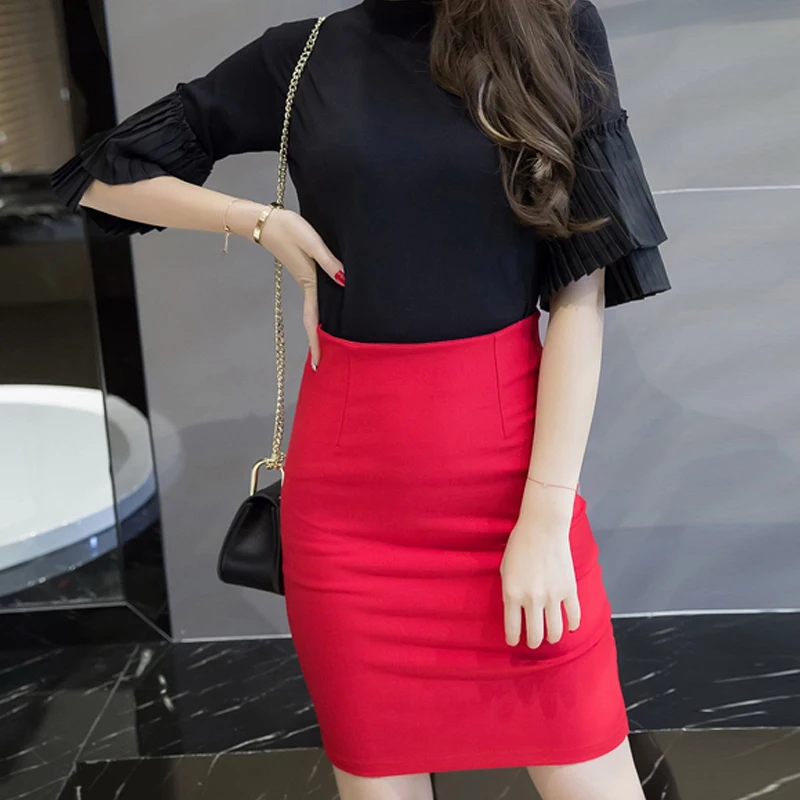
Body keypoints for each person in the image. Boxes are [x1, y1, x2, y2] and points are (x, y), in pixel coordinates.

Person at [51, 0, 671, 797]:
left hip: (512, 491)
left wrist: (545, 522)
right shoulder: (305, 55)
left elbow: (580, 297)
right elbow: (104, 174)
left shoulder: (552, 26)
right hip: (351, 520)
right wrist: (259, 221)